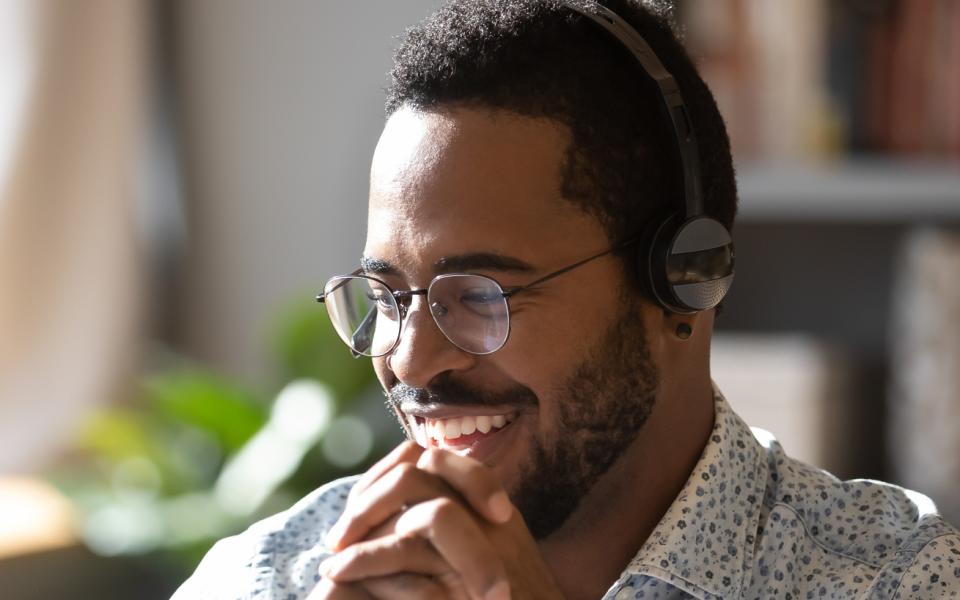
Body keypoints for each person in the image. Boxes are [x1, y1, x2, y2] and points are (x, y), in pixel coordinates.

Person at [173, 1, 960, 598]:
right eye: (388, 295)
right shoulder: (267, 578)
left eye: (478, 293)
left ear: (685, 280)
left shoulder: (899, 583)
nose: (410, 359)